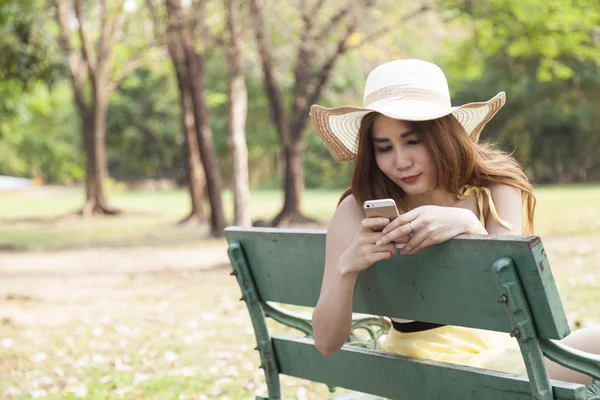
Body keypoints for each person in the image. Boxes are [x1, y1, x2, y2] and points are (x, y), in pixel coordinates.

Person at [309, 59, 600, 385]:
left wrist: (469, 225)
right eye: (384, 148)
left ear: (443, 135)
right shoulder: (356, 209)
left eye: (413, 141)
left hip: (501, 359)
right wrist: (348, 266)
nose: (401, 161)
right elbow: (326, 342)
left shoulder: (495, 190)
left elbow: (514, 305)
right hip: (425, 373)